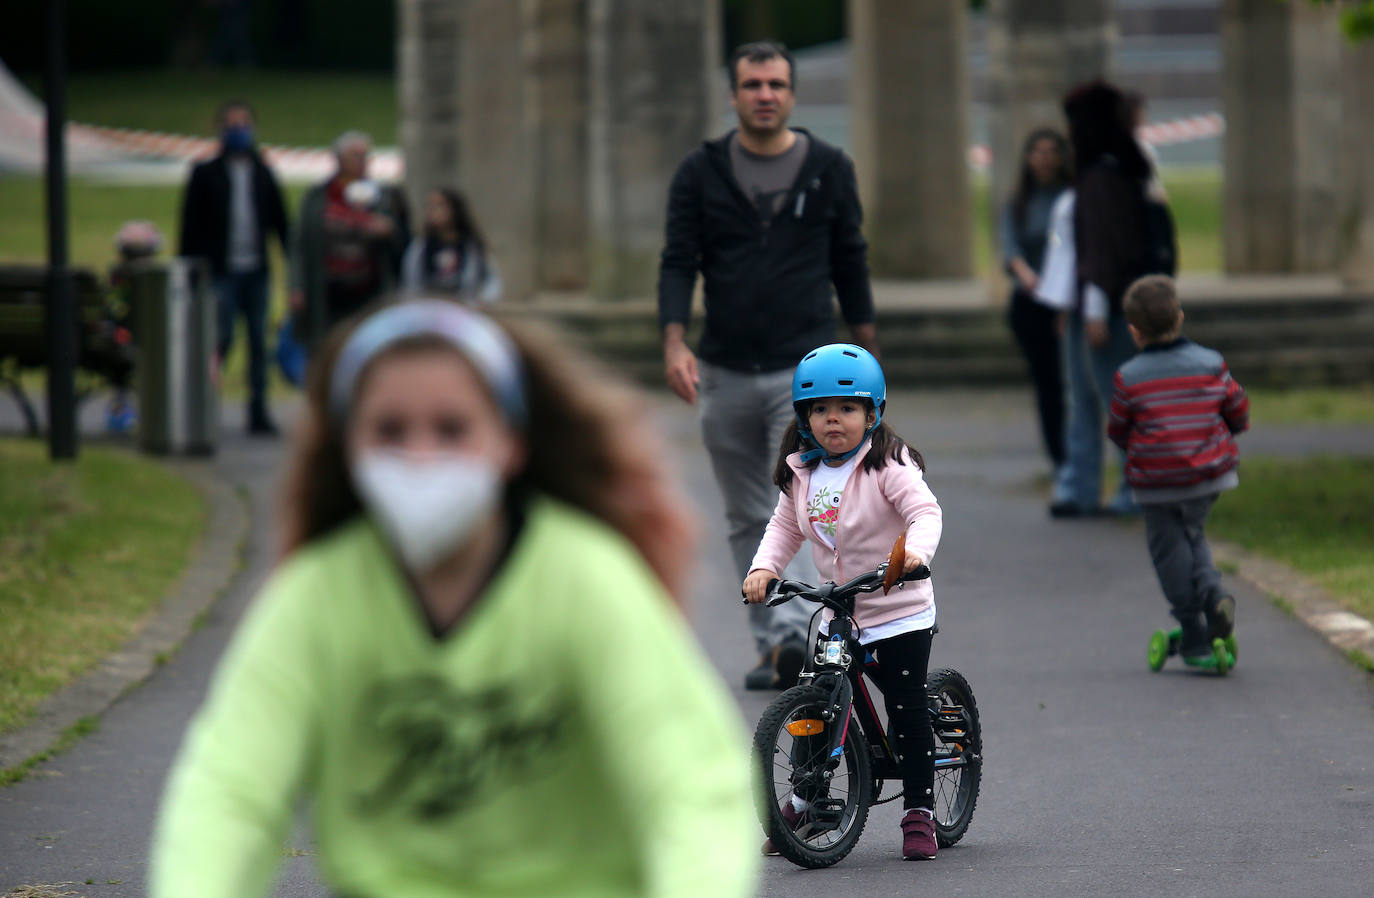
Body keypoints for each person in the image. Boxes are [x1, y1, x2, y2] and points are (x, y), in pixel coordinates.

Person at [148, 299, 759, 898]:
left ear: (510, 442)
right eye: (389, 431)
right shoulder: (317, 595)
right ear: (348, 446)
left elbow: (691, 786)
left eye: (452, 429)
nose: (420, 456)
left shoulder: (586, 579)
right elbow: (231, 790)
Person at [658, 40, 879, 690]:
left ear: (791, 93)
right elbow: (678, 260)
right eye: (752, 84)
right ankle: (774, 641)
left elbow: (851, 258)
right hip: (724, 366)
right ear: (732, 94)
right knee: (746, 513)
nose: (764, 95)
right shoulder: (701, 173)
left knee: (803, 500)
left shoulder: (829, 168)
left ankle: (808, 640)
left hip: (804, 371)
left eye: (776, 84)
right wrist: (674, 341)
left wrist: (865, 347)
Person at [742, 344, 942, 861]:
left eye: (848, 408)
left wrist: (915, 553)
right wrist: (764, 568)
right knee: (816, 699)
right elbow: (785, 526)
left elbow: (924, 512)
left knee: (907, 705)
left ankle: (918, 811)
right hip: (840, 608)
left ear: (872, 413)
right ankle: (807, 802)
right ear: (804, 418)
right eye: (821, 409)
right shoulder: (802, 469)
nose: (834, 419)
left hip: (897, 607)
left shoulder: (890, 464)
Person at [1108, 276, 1248, 664]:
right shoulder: (1211, 363)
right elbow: (1237, 409)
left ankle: (1194, 632)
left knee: (1169, 552)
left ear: (1134, 331)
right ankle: (1214, 596)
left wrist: (1139, 450)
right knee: (1194, 534)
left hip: (1157, 482)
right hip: (1208, 475)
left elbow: (1118, 428)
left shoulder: (1130, 376)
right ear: (1180, 317)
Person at [1049, 80, 1156, 518]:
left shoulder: (1100, 178)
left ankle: (1120, 487)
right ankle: (1082, 485)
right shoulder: (1118, 171)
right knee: (1093, 397)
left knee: (1111, 400)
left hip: (1102, 306)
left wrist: (1091, 307)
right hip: (1095, 302)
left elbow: (1100, 250)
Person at [178, 99, 290, 436]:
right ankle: (202, 406)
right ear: (220, 129)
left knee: (258, 342)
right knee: (220, 338)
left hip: (256, 272)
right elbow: (190, 227)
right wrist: (190, 271)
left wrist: (292, 268)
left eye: (244, 123)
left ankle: (258, 411)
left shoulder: (263, 172)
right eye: (232, 123)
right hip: (220, 271)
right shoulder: (205, 174)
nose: (239, 129)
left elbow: (281, 223)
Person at [289, 131, 408, 351]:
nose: (362, 161)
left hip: (369, 290)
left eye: (365, 155)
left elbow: (403, 241)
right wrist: (297, 285)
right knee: (329, 347)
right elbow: (299, 244)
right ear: (339, 159)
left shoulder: (384, 196)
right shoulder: (318, 197)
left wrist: (389, 231)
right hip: (329, 290)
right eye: (356, 155)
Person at [1001, 128, 1073, 472]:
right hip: (1032, 300)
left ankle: (1079, 452)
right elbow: (1010, 250)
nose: (1044, 159)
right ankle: (1059, 455)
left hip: (1067, 300)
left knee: (1073, 380)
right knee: (1048, 381)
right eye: (1038, 152)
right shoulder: (1019, 202)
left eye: (1051, 151)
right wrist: (1032, 279)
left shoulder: (1071, 196)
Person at [102, 220, 162, 434]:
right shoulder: (155, 282)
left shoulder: (116, 279)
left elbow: (111, 311)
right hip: (140, 346)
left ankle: (119, 409)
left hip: (108, 348)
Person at [400, 187, 502, 303]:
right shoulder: (420, 248)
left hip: (463, 312)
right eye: (429, 206)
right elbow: (411, 283)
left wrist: (482, 301)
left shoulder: (472, 249)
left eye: (440, 205)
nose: (433, 210)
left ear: (454, 209)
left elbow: (492, 281)